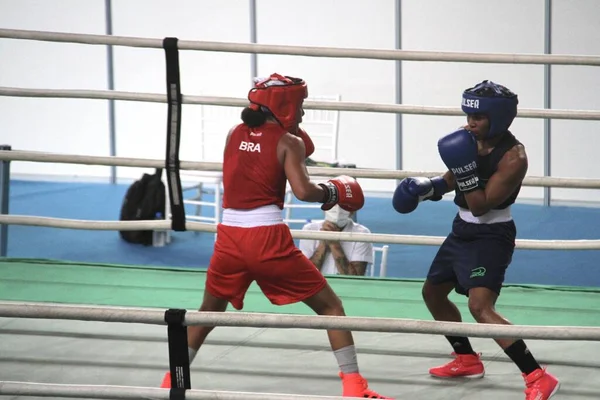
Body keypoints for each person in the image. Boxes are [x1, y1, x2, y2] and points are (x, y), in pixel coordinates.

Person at [160, 73, 392, 399]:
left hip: (228, 239)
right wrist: (333, 191)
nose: (302, 113)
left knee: (207, 313)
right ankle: (354, 387)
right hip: (266, 238)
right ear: (284, 106)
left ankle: (171, 383)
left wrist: (290, 138)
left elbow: (257, 151)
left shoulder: (233, 133)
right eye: (300, 106)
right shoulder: (289, 142)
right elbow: (303, 189)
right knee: (331, 308)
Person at [391, 80, 559, 400]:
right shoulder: (467, 139)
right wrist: (425, 189)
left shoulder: (514, 158)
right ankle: (466, 359)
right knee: (433, 293)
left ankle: (537, 376)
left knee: (480, 307)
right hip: (460, 230)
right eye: (468, 116)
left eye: (478, 118)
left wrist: (465, 170)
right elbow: (450, 180)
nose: (470, 123)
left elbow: (481, 206)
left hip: (491, 234)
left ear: (498, 118)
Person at [299, 205, 373, 276]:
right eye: (333, 203)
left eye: (343, 205)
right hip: (315, 286)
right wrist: (323, 244)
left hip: (346, 288)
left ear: (352, 211)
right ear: (323, 208)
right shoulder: (309, 230)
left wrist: (334, 244)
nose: (337, 209)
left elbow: (355, 278)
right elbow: (305, 274)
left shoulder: (362, 233)